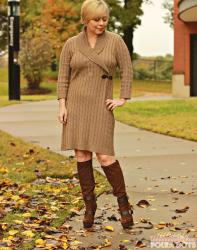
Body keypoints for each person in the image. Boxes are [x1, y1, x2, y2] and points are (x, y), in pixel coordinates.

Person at [57, 0, 134, 229]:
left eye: (104, 19)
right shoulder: (71, 44)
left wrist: (123, 98)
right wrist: (62, 105)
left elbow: (127, 69)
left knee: (105, 157)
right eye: (96, 19)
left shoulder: (115, 41)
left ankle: (124, 204)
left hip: (102, 105)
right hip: (77, 105)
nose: (101, 23)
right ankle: (90, 208)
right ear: (85, 20)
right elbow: (63, 77)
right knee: (82, 156)